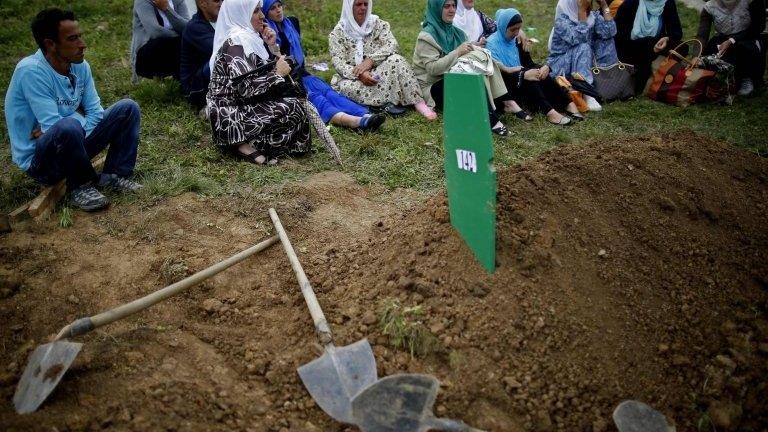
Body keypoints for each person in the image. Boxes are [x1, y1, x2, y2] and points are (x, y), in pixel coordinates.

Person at [5, 8, 142, 212]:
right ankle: (80, 187)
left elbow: (95, 113)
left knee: (127, 108)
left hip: (70, 143)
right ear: (50, 44)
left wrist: (71, 123)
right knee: (67, 127)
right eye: (72, 39)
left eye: (80, 36)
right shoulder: (31, 72)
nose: (82, 44)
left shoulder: (80, 65)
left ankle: (115, 175)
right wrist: (72, 121)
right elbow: (55, 126)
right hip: (42, 161)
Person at [207, 0, 311, 165]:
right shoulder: (235, 43)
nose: (262, 16)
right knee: (292, 108)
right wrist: (277, 73)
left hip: (247, 104)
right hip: (231, 113)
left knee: (296, 106)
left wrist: (272, 47)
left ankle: (249, 142)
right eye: (256, 11)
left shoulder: (250, 38)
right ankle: (241, 143)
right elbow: (245, 88)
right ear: (242, 14)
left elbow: (264, 73)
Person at [263, 0, 385, 131]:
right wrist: (272, 43)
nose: (278, 10)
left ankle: (364, 114)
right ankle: (355, 122)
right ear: (265, 12)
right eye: (272, 8)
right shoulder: (265, 35)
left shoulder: (291, 23)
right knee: (316, 98)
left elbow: (299, 59)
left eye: (279, 6)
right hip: (286, 80)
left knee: (329, 93)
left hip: (301, 74)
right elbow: (274, 63)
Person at [413, 0, 512, 136]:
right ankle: (491, 120)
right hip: (432, 85)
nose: (452, 10)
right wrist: (457, 52)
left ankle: (502, 105)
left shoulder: (458, 33)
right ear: (436, 9)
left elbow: (469, 54)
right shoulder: (426, 36)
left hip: (453, 75)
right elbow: (433, 69)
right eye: (446, 6)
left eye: (454, 5)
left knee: (481, 67)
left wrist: (502, 66)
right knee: (468, 83)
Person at [329, 0, 437, 119]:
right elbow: (339, 63)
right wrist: (360, 74)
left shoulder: (377, 24)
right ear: (349, 7)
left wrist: (370, 60)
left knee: (397, 60)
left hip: (379, 73)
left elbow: (392, 44)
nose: (363, 8)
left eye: (366, 4)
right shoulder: (338, 33)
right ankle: (388, 101)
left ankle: (417, 102)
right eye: (358, 4)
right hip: (353, 78)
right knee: (345, 88)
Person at [487, 8, 579, 125]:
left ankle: (567, 104)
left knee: (540, 74)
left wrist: (543, 68)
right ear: (502, 27)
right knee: (530, 79)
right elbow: (497, 74)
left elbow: (528, 63)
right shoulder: (491, 45)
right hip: (505, 88)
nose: (516, 33)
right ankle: (550, 113)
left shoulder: (517, 40)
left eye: (518, 29)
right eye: (512, 30)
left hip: (518, 81)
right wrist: (523, 74)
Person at [547, 0, 619, 112]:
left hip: (582, 65)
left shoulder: (592, 17)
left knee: (606, 40)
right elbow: (579, 38)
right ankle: (586, 93)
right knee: (583, 46)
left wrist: (604, 5)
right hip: (560, 65)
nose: (587, 3)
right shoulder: (561, 21)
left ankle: (607, 78)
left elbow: (611, 31)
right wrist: (581, 12)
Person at [696, 0, 766, 96]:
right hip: (722, 38)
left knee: (745, 48)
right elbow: (702, 35)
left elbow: (758, 27)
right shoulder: (710, 6)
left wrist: (732, 40)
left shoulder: (751, 2)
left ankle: (746, 78)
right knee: (711, 51)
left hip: (747, 37)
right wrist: (696, 56)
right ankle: (720, 80)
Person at [614, 0, 682, 93]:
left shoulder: (667, 2)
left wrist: (666, 39)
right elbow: (620, 37)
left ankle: (661, 74)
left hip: (658, 45)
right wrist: (650, 44)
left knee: (682, 47)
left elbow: (676, 32)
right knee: (643, 56)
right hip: (632, 47)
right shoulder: (630, 3)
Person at [131, 0, 190, 82]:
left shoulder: (177, 1)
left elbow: (187, 27)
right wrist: (183, 37)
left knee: (194, 43)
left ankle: (185, 83)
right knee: (182, 43)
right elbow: (155, 32)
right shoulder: (142, 1)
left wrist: (167, 9)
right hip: (147, 53)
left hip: (173, 48)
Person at [180, 0, 221, 109]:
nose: (221, 3)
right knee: (223, 57)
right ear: (202, 3)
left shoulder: (218, 21)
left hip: (208, 79)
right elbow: (222, 50)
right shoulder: (195, 27)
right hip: (195, 88)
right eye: (217, 0)